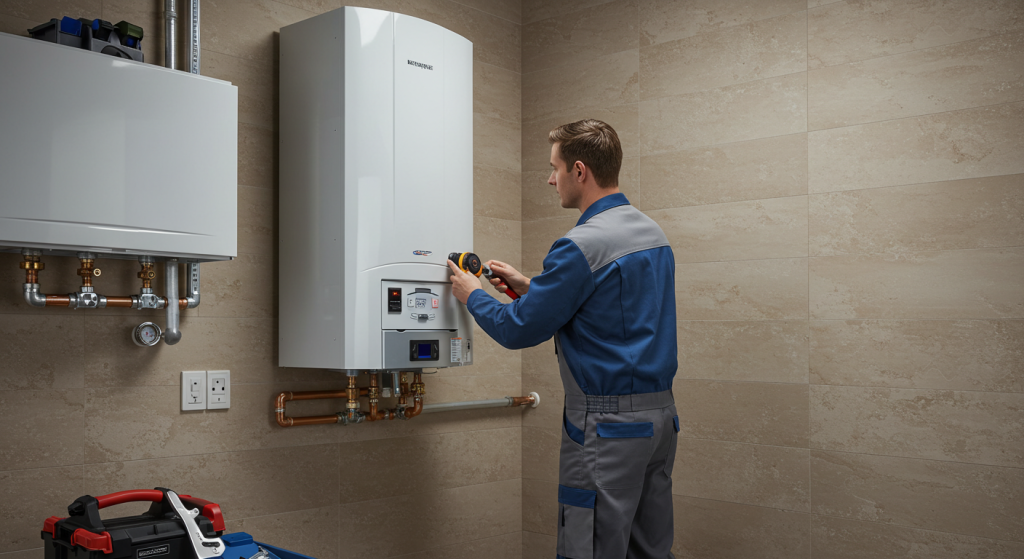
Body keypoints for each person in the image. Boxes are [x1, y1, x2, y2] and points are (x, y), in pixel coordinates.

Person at [448, 119, 678, 559]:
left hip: (607, 428)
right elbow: (614, 310)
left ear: (579, 170)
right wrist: (536, 287)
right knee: (648, 550)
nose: (549, 179)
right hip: (659, 421)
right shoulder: (652, 234)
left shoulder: (580, 245)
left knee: (589, 548)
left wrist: (472, 295)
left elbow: (519, 330)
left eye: (553, 168)